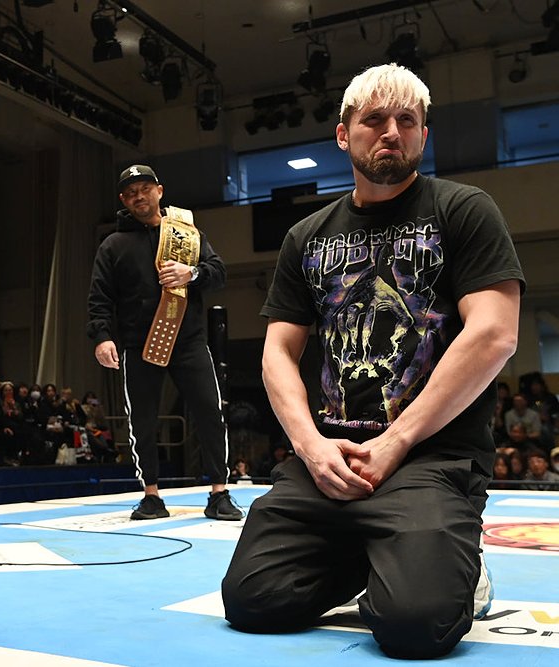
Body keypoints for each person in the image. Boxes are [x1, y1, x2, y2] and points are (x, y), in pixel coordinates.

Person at [221, 64, 524, 659]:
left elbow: (494, 334)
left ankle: (454, 566)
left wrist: (397, 440)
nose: (391, 131)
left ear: (423, 136)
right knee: (254, 601)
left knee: (416, 625)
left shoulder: (463, 209)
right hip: (331, 457)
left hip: (429, 458)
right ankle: (383, 554)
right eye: (375, 119)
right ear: (343, 134)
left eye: (407, 120)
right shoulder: (307, 236)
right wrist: (309, 446)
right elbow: (278, 351)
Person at [87, 164, 242, 521]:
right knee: (141, 420)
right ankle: (151, 496)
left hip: (188, 341)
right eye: (131, 193)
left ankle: (219, 492)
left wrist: (192, 273)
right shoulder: (112, 245)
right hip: (138, 344)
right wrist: (102, 337)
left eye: (145, 189)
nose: (139, 197)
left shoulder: (186, 234)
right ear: (124, 200)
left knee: (210, 411)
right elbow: (99, 298)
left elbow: (218, 273)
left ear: (159, 191)